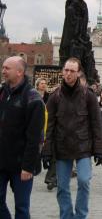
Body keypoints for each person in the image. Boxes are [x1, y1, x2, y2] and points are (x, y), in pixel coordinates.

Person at [42, 57, 102, 218]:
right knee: (62, 187)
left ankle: (80, 215)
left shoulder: (88, 95)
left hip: (83, 147)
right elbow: (48, 126)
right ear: (63, 71)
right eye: (66, 70)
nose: (68, 74)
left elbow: (97, 124)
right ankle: (66, 215)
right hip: (62, 147)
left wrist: (99, 149)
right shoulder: (55, 96)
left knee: (84, 181)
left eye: (72, 71)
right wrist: (46, 150)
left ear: (78, 73)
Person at [0, 56, 45, 219]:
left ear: (19, 72)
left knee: (21, 207)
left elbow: (34, 137)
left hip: (21, 164)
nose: (3, 71)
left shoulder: (33, 98)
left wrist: (28, 166)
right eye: (3, 67)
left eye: (7, 68)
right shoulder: (2, 92)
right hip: (2, 160)